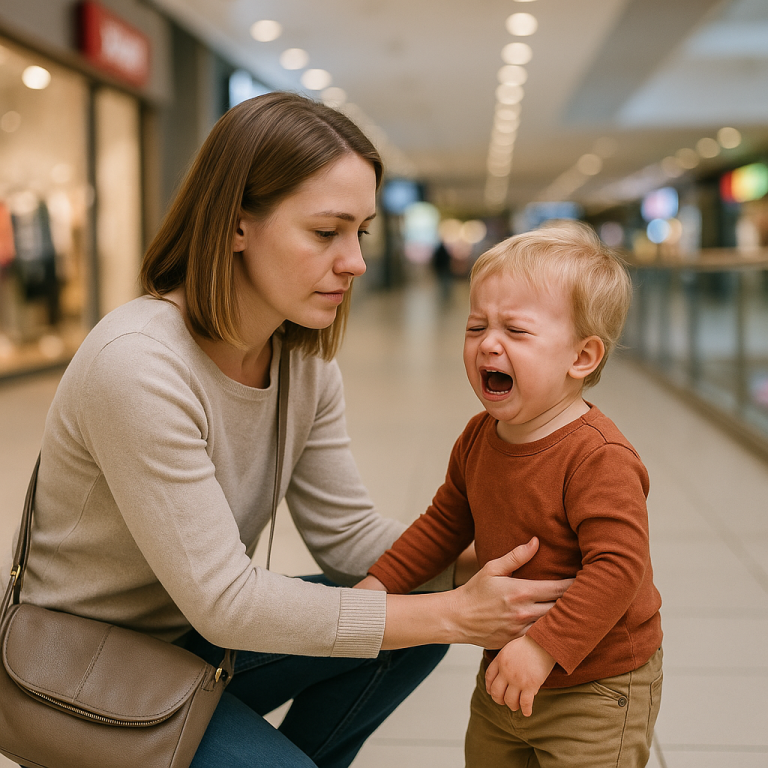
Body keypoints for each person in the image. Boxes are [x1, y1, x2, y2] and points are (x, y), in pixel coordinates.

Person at [17, 92, 571, 768]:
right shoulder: (138, 364)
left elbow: (347, 537)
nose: (355, 262)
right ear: (235, 226)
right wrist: (456, 612)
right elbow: (227, 600)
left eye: (360, 231)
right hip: (84, 668)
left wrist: (482, 568)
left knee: (415, 605)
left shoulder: (301, 365)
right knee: (428, 616)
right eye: (325, 232)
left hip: (194, 640)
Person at [360, 222, 664, 767]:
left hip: (594, 685)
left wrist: (542, 648)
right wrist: (376, 589)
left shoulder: (598, 458)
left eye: (516, 331)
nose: (488, 344)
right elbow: (441, 526)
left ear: (582, 357)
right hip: (507, 672)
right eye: (476, 326)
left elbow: (618, 568)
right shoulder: (479, 437)